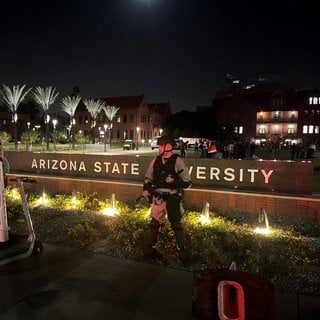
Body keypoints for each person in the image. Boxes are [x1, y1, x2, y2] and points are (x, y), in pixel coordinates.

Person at [142, 136, 192, 263]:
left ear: (168, 147)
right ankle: (151, 249)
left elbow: (187, 182)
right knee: (154, 224)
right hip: (158, 198)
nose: (158, 148)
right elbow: (148, 177)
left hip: (172, 198)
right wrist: (146, 189)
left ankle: (182, 252)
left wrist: (174, 181)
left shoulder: (177, 161)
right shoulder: (156, 161)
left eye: (160, 146)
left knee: (177, 225)